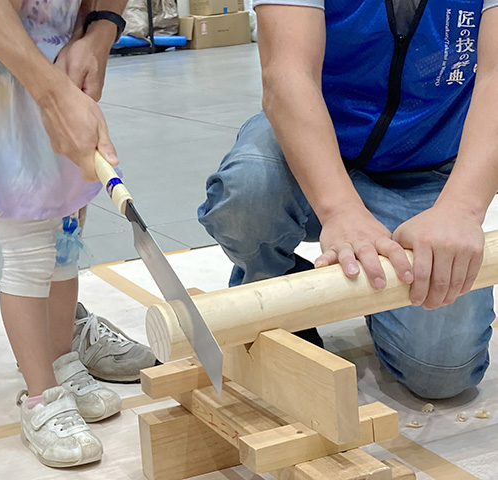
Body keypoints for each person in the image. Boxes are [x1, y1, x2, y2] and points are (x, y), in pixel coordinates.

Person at [199, 0, 498, 400]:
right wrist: (340, 210)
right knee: (248, 195)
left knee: (441, 374)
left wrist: (461, 209)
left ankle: (380, 295)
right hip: (315, 144)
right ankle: (275, 283)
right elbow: (287, 74)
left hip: (427, 163)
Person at [0, 0, 152, 467]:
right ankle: (40, 396)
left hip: (64, 84)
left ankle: (61, 360)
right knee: (29, 254)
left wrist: (90, 36)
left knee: (66, 245)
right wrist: (55, 90)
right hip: (6, 92)